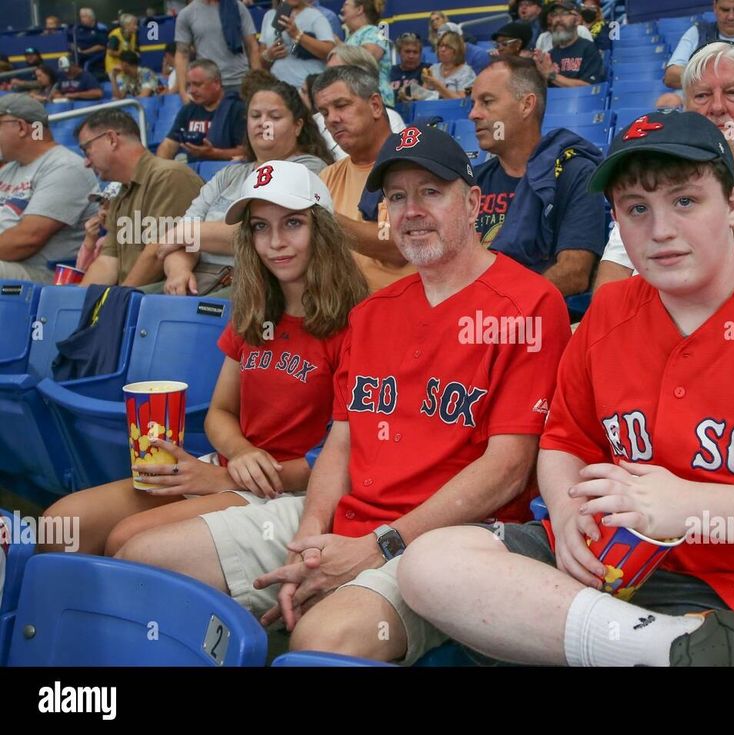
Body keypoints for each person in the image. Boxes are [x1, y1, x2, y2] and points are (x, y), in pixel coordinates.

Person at [396, 111, 734, 668]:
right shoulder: (611, 311)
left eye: (686, 201)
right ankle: (662, 648)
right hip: (616, 569)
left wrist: (693, 508)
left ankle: (604, 641)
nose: (661, 230)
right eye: (636, 209)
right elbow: (565, 442)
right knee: (432, 562)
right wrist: (568, 513)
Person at [114, 126, 571, 665]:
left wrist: (378, 546)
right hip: (339, 517)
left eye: (431, 191)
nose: (411, 210)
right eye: (397, 197)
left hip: (442, 541)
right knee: (141, 559)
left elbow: (509, 470)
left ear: (473, 203)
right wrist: (310, 533)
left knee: (322, 638)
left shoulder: (528, 306)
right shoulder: (374, 312)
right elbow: (341, 441)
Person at [40, 159, 368, 557]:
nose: (275, 242)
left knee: (126, 541)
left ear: (323, 229)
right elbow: (220, 412)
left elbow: (345, 453)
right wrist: (240, 455)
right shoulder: (255, 309)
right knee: (62, 524)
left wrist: (229, 478)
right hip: (229, 466)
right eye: (261, 226)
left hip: (286, 488)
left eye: (293, 223)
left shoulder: (357, 323)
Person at [597, 43, 734, 287]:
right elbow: (615, 270)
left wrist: (725, 155)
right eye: (702, 96)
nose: (717, 107)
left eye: (733, 92)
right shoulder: (657, 171)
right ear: (686, 109)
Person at [159, 78, 333, 296]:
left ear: (297, 126)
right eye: (255, 116)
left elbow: (254, 235)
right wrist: (179, 272)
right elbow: (178, 240)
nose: (263, 123)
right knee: (133, 302)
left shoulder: (308, 168)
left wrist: (184, 233)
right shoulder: (229, 174)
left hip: (253, 283)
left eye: (274, 116)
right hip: (197, 276)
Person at [469, 56, 606, 296]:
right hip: (475, 315)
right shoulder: (473, 182)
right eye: (473, 103)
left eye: (487, 102)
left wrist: (503, 304)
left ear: (526, 105)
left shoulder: (574, 173)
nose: (473, 114)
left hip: (539, 320)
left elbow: (574, 273)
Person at [75, 109, 203, 287]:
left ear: (111, 139)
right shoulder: (122, 192)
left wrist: (116, 302)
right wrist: (79, 305)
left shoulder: (169, 177)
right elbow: (108, 261)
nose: (86, 162)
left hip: (161, 301)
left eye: (87, 150)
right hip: (134, 299)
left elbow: (157, 255)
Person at [313, 65, 414, 291]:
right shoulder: (328, 176)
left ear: (375, 105)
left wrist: (318, 216)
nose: (332, 119)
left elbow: (399, 247)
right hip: (340, 311)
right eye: (324, 112)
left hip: (401, 312)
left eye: (341, 105)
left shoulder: (412, 164)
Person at [0, 95, 98, 282]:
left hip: (42, 277)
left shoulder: (65, 167)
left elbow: (27, 240)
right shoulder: (10, 169)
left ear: (21, 127)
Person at [322, 45, 406, 160]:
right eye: (326, 73)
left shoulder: (390, 118)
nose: (327, 80)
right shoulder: (314, 121)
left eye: (337, 74)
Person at [156, 59, 247, 163]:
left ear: (216, 83)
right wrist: (160, 167)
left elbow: (245, 152)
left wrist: (214, 154)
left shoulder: (236, 109)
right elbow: (169, 144)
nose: (191, 91)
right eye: (189, 85)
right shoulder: (188, 110)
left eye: (197, 85)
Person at [174, 0, 262, 101]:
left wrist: (257, 84)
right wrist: (183, 92)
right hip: (207, 85)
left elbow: (252, 46)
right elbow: (182, 54)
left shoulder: (237, 7)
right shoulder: (187, 14)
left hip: (241, 82)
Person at [260, 0, 336, 89]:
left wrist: (297, 35)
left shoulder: (315, 16)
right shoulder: (269, 16)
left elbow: (330, 51)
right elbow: (261, 59)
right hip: (278, 87)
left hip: (306, 88)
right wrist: (269, 55)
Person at [533, 2, 605, 87]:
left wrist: (552, 76)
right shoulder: (549, 55)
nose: (558, 19)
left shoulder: (588, 49)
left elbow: (588, 87)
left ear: (577, 20)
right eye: (554, 15)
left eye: (564, 14)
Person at [336, 0, 393, 108]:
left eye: (346, 5)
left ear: (359, 9)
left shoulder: (376, 32)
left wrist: (339, 47)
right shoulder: (351, 38)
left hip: (375, 99)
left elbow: (366, 59)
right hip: (357, 98)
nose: (342, 9)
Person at [416, 31, 476, 100]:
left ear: (457, 50)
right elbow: (422, 98)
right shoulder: (432, 69)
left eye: (447, 46)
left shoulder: (467, 72)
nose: (442, 49)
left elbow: (463, 102)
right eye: (440, 46)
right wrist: (409, 97)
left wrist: (438, 86)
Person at [389, 32, 429, 104]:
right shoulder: (389, 72)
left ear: (420, 54)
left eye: (415, 52)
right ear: (399, 52)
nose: (411, 56)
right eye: (407, 51)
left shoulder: (428, 70)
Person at [70, 8, 108, 75]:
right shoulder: (78, 27)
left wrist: (84, 52)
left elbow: (102, 46)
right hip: (78, 53)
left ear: (91, 17)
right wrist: (73, 45)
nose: (81, 19)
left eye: (84, 17)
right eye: (81, 16)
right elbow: (70, 39)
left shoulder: (100, 28)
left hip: (94, 55)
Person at [105, 13, 139, 78]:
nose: (136, 27)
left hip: (127, 66)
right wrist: (123, 54)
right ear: (126, 25)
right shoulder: (115, 36)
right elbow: (110, 52)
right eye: (134, 24)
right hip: (115, 67)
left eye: (136, 24)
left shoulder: (133, 34)